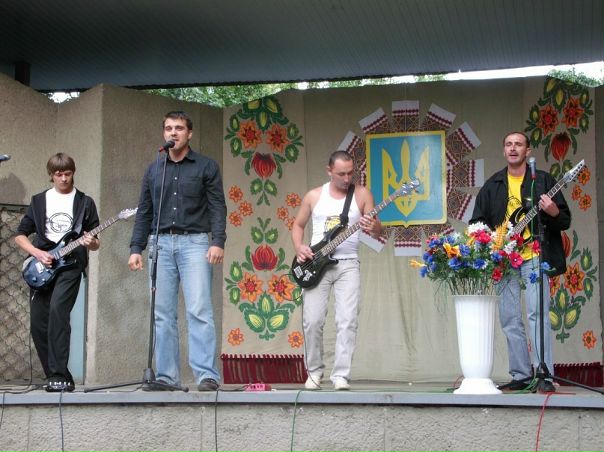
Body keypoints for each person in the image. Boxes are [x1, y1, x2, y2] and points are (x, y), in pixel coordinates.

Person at [129, 110, 226, 391]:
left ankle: (206, 375)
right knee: (162, 314)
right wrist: (136, 248)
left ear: (189, 133)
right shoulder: (154, 169)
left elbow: (218, 206)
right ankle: (167, 377)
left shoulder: (206, 166)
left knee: (199, 310)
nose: (174, 132)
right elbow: (144, 211)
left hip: (194, 243)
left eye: (179, 128)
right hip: (160, 243)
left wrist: (218, 241)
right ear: (164, 133)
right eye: (169, 128)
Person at [470, 132, 570, 393]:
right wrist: (493, 242)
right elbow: (476, 223)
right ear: (504, 151)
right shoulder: (492, 185)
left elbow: (564, 220)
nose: (513, 148)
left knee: (538, 314)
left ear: (528, 151)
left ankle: (544, 373)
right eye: (508, 144)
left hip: (535, 254)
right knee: (509, 317)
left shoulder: (543, 180)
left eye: (518, 144)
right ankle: (521, 374)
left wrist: (553, 211)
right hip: (504, 259)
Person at [291, 150, 382, 390]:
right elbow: (298, 225)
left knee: (347, 320)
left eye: (351, 173)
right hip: (316, 263)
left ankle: (341, 375)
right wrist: (299, 247)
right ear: (329, 171)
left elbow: (378, 231)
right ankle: (314, 373)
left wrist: (373, 226)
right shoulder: (314, 196)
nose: (347, 178)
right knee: (312, 321)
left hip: (348, 264)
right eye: (341, 174)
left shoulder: (362, 194)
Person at [15, 153, 100, 392]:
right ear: (51, 175)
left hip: (71, 266)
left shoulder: (85, 202)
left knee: (58, 312)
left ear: (73, 173)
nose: (63, 178)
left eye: (67, 174)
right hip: (43, 266)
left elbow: (96, 243)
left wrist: (91, 242)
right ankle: (55, 375)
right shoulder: (38, 201)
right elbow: (20, 235)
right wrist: (37, 253)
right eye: (58, 174)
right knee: (38, 322)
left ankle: (59, 374)